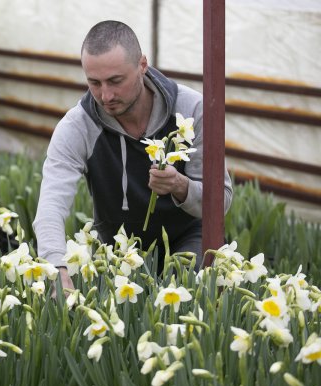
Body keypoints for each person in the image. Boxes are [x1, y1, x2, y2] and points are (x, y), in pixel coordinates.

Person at [33, 20, 233, 292]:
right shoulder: (78, 126)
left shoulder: (191, 109)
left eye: (116, 81)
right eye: (94, 82)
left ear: (142, 65)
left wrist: (179, 186)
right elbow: (51, 205)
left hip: (188, 240)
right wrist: (56, 266)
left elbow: (221, 200)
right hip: (118, 249)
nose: (106, 95)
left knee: (185, 301)